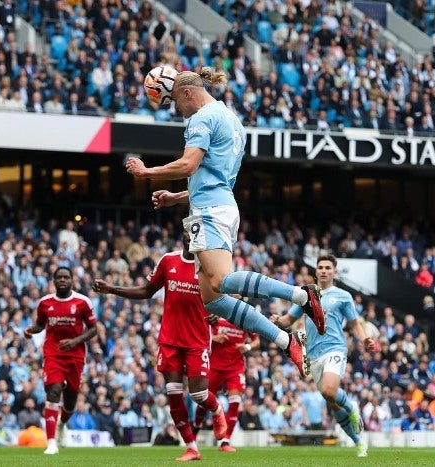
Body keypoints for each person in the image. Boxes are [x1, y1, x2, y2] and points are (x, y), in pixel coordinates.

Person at [125, 67, 325, 378]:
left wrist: (146, 172)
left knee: (219, 282)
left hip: (210, 211)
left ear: (187, 92)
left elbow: (189, 165)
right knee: (213, 300)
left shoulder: (201, 118)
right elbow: (212, 178)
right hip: (218, 205)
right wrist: (176, 198)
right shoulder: (231, 119)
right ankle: (286, 340)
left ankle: (301, 295)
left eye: (175, 102)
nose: (177, 110)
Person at [93, 232, 227, 462]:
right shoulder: (168, 260)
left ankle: (216, 410)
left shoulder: (209, 267)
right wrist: (112, 289)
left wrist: (218, 315)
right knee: (173, 394)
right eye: (187, 233)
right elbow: (146, 291)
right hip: (170, 340)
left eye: (195, 235)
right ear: (183, 236)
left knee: (198, 394)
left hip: (197, 341)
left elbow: (224, 298)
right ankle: (192, 447)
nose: (190, 238)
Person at [270, 254, 378, 458]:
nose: (324, 270)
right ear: (316, 271)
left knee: (330, 390)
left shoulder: (343, 296)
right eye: (320, 267)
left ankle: (352, 406)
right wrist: (277, 320)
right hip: (313, 355)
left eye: (328, 267)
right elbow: (288, 320)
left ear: (334, 272)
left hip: (335, 348)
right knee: (332, 401)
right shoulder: (305, 295)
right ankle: (359, 442)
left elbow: (355, 324)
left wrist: (364, 340)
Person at [24, 267, 97, 455]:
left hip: (75, 356)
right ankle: (51, 443)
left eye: (66, 277)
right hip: (53, 353)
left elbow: (93, 329)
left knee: (70, 401)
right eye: (59, 277)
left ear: (72, 280)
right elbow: (41, 324)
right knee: (53, 391)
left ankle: (62, 425)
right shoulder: (45, 303)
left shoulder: (82, 302)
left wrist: (75, 341)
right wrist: (31, 330)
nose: (62, 280)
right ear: (53, 281)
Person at [193, 315, 259, 452]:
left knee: (235, 402)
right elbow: (199, 331)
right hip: (215, 365)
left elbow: (256, 341)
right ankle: (195, 430)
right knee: (203, 400)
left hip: (235, 366)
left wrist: (246, 346)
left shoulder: (245, 317)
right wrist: (213, 338)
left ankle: (225, 441)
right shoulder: (216, 313)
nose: (235, 294)